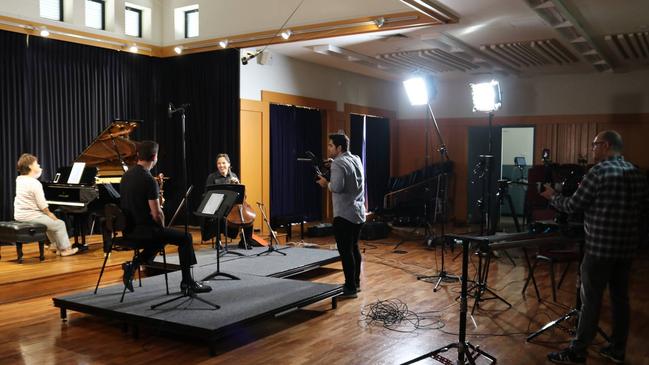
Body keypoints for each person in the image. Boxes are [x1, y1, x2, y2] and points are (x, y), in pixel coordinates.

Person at [541, 131, 649, 364]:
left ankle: (578, 351)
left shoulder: (598, 172)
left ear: (607, 145)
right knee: (621, 299)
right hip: (627, 249)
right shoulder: (637, 173)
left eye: (595, 144)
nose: (592, 148)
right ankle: (617, 349)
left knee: (591, 300)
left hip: (599, 249)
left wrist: (552, 197)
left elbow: (574, 205)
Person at [120, 141, 211, 293]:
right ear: (154, 157)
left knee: (162, 237)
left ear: (138, 156)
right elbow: (157, 214)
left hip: (129, 230)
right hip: (145, 231)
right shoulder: (148, 179)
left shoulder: (126, 176)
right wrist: (162, 226)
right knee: (186, 238)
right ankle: (187, 282)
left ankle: (133, 265)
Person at [317, 133, 366, 299]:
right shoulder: (356, 158)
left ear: (339, 148)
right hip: (358, 212)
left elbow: (337, 187)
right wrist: (334, 165)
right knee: (354, 248)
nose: (328, 148)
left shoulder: (338, 163)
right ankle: (356, 283)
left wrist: (326, 184)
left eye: (331, 146)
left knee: (346, 252)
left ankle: (350, 287)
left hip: (344, 215)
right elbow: (348, 173)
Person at [13, 153, 79, 257]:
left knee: (50, 222)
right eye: (37, 164)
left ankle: (55, 246)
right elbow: (41, 204)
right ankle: (65, 249)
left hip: (19, 215)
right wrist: (49, 213)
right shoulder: (34, 183)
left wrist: (47, 215)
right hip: (30, 217)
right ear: (30, 166)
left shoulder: (20, 179)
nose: (39, 166)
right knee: (59, 223)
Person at [204, 153, 253, 248]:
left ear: (229, 164)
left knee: (248, 219)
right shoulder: (212, 177)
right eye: (219, 163)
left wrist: (238, 185)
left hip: (233, 207)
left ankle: (245, 241)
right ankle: (218, 241)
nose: (221, 165)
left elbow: (242, 196)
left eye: (223, 163)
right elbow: (207, 194)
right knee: (219, 216)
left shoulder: (233, 175)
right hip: (219, 206)